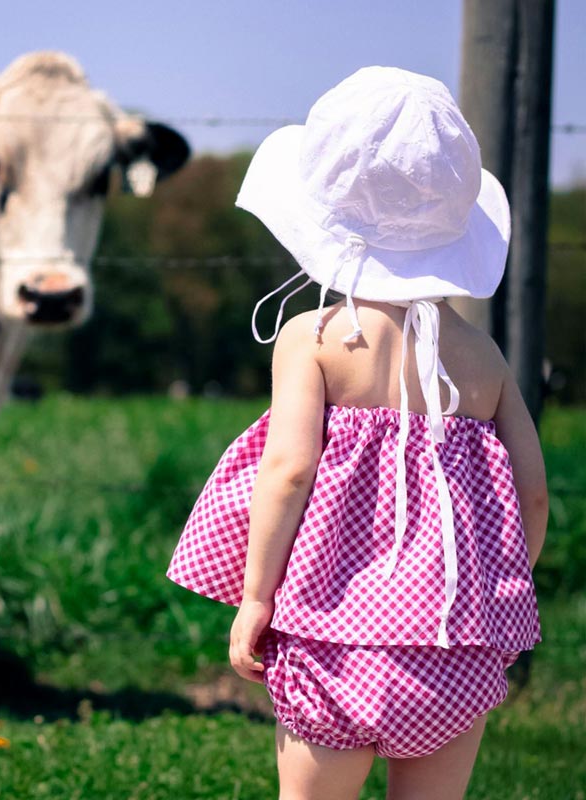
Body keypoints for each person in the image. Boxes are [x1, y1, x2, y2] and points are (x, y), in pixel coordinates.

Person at [167, 66, 547, 800]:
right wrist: (494, 596)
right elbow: (532, 497)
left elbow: (288, 471)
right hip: (454, 646)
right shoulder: (484, 359)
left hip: (330, 638)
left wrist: (255, 598)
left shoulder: (315, 338)